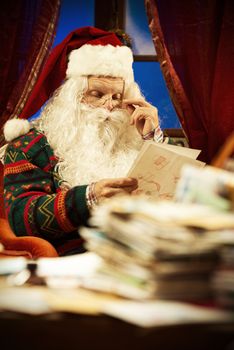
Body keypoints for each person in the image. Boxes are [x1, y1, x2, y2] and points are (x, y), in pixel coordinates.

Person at [3, 27, 163, 255]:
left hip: (147, 251)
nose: (109, 106)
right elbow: (21, 218)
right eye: (97, 95)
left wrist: (151, 139)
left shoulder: (133, 138)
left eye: (117, 97)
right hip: (80, 257)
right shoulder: (30, 146)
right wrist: (89, 197)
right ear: (70, 98)